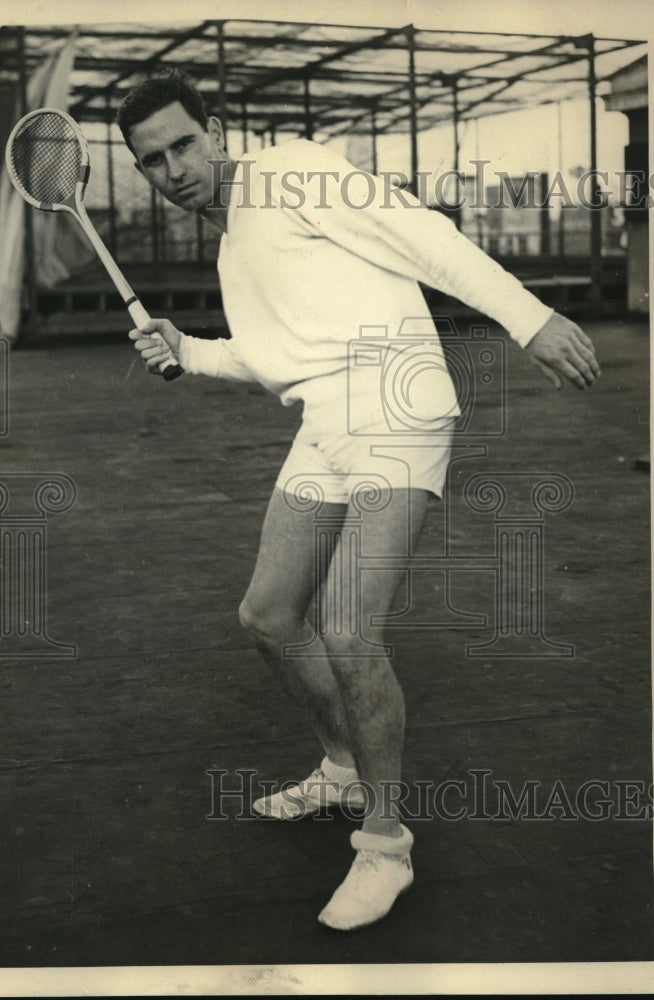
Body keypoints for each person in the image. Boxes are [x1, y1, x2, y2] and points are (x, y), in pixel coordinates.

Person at [117, 69, 600, 932]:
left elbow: (425, 237)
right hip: (325, 422)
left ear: (218, 129)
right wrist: (187, 349)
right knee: (267, 614)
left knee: (347, 627)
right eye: (153, 161)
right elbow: (274, 360)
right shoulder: (233, 242)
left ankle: (385, 847)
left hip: (397, 405)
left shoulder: (293, 170)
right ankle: (342, 768)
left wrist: (530, 319)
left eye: (184, 143)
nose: (174, 168)